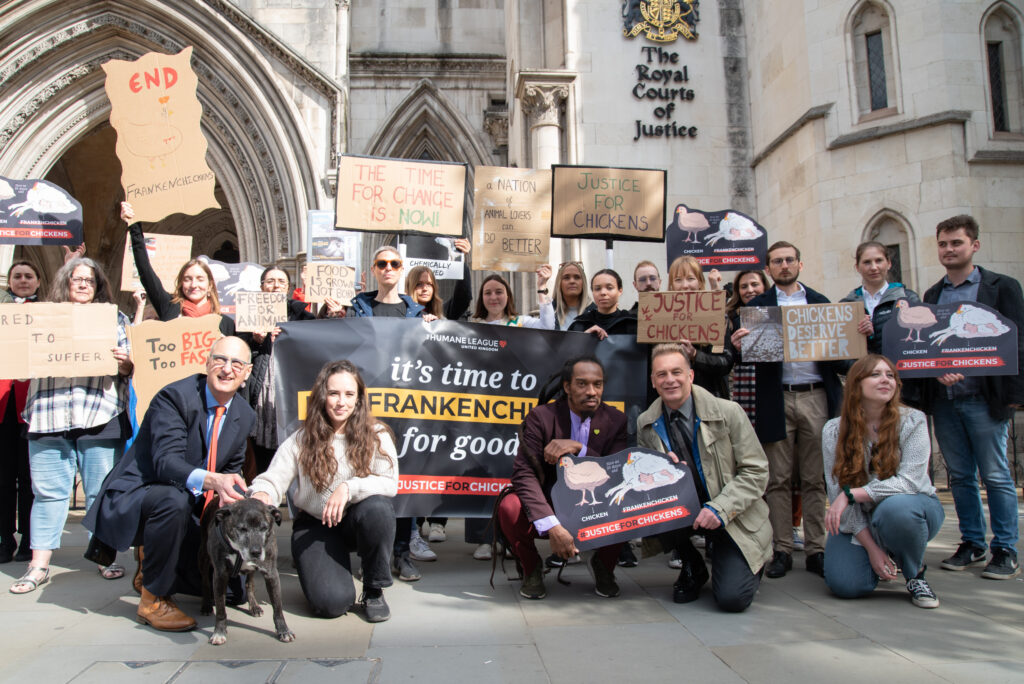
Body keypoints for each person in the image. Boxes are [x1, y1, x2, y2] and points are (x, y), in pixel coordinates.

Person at [82, 337, 255, 631]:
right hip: (144, 492)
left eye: (236, 363)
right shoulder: (175, 397)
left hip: (190, 502)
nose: (227, 369)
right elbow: (166, 463)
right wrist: (214, 480)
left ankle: (151, 565)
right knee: (172, 500)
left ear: (247, 373)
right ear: (207, 362)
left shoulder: (244, 414)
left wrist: (231, 498)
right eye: (220, 360)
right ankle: (153, 598)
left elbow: (229, 468)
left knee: (230, 593)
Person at [10, 258, 134, 594]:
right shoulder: (41, 319)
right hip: (48, 415)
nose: (82, 285)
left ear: (98, 287)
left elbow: (129, 369)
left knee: (99, 492)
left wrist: (123, 363)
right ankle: (38, 564)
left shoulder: (113, 319)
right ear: (64, 283)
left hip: (97, 414)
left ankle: (104, 556)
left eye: (89, 281)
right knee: (49, 494)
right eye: (76, 279)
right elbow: (18, 367)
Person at [250, 360, 398, 622]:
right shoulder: (302, 438)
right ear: (322, 396)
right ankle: (323, 568)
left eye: (349, 394)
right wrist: (261, 496)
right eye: (334, 393)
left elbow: (389, 483)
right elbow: (273, 478)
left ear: (359, 399)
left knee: (379, 508)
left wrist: (349, 487)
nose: (341, 402)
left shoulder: (376, 434)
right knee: (331, 605)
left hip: (356, 521)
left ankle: (374, 589)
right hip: (316, 525)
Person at [920, 215, 1023, 579]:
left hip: (984, 397)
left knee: (996, 475)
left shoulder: (1002, 287)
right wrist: (936, 371)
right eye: (943, 244)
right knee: (960, 476)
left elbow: (1017, 341)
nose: (949, 250)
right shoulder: (934, 295)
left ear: (974, 245)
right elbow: (931, 350)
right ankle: (973, 542)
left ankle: (1005, 548)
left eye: (956, 243)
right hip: (946, 401)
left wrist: (1015, 396)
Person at [732, 241, 843, 579]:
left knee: (814, 477)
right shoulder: (759, 306)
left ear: (800, 264)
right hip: (775, 397)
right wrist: (737, 346)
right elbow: (744, 359)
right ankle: (781, 548)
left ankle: (817, 550)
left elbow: (841, 354)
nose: (784, 266)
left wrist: (856, 332)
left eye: (789, 260)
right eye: (777, 262)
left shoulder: (821, 303)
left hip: (816, 396)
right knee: (777, 478)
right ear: (768, 269)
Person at [636, 344, 771, 611]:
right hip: (686, 512)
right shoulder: (645, 423)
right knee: (647, 502)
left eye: (677, 372)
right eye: (661, 374)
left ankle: (749, 556)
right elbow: (645, 486)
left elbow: (756, 471)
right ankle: (692, 564)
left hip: (732, 515)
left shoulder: (729, 412)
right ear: (653, 381)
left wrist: (720, 508)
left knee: (732, 599)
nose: (670, 380)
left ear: (691, 375)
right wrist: (660, 475)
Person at [497, 355, 628, 599]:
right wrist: (552, 525)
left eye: (597, 384)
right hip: (551, 502)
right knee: (509, 506)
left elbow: (617, 470)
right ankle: (531, 567)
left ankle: (604, 566)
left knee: (626, 500)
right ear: (567, 387)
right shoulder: (541, 417)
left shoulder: (615, 419)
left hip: (595, 502)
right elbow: (523, 474)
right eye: (582, 384)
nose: (591, 391)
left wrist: (580, 448)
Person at [823, 355, 945, 607]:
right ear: (856, 384)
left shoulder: (913, 420)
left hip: (913, 508)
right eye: (876, 374)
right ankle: (882, 552)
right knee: (846, 585)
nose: (885, 380)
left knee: (895, 510)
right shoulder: (834, 430)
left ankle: (914, 572)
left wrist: (853, 494)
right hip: (862, 517)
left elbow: (910, 483)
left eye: (890, 375)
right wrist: (871, 548)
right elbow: (837, 493)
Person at [349, 246, 434, 578]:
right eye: (382, 264)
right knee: (368, 479)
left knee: (404, 482)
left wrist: (433, 330)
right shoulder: (359, 309)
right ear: (374, 269)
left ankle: (402, 553)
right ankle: (374, 554)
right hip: (366, 410)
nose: (388, 268)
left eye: (394, 264)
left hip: (404, 408)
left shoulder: (415, 313)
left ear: (401, 270)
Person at [121, 201, 235, 337]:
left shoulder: (225, 323)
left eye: (200, 279)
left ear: (210, 285)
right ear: (181, 284)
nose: (194, 285)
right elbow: (145, 270)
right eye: (188, 279)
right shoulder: (170, 308)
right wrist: (134, 224)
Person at [246, 267, 317, 475]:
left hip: (290, 394)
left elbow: (319, 340)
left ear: (288, 287)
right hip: (259, 395)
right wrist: (255, 341)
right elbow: (238, 351)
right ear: (261, 287)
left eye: (281, 281)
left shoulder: (302, 317)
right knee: (260, 461)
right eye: (270, 281)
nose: (276, 285)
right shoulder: (247, 315)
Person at [0, 261, 42, 564]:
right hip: (2, 403)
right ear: (9, 282)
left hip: (32, 406)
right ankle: (4, 539)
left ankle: (30, 539)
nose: (23, 280)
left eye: (29, 276)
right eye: (18, 276)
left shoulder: (47, 313)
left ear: (38, 282)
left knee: (30, 480)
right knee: (3, 479)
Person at [665, 256, 733, 398]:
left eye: (690, 278)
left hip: (711, 398)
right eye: (678, 280)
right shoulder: (662, 319)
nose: (684, 285)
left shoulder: (717, 316)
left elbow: (725, 363)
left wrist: (695, 355)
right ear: (671, 285)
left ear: (700, 282)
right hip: (673, 399)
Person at [839, 241, 921, 356]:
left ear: (889, 263)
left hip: (898, 371)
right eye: (867, 262)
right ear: (857, 267)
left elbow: (918, 342)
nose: (873, 267)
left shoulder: (907, 298)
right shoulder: (846, 305)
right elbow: (842, 352)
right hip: (862, 372)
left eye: (879, 261)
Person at [470, 272, 554, 328]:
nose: (493, 297)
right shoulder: (472, 329)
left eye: (499, 292)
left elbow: (547, 327)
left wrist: (542, 286)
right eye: (488, 293)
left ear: (508, 296)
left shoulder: (521, 323)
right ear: (482, 297)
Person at [567, 269, 636, 338]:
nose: (603, 292)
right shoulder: (580, 325)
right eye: (597, 289)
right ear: (592, 292)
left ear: (620, 291)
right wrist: (583, 337)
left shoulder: (631, 324)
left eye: (609, 288)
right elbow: (565, 348)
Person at [546, 261, 592, 330]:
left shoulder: (596, 312)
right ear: (559, 283)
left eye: (577, 277)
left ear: (583, 283)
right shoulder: (548, 311)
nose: (572, 281)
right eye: (566, 278)